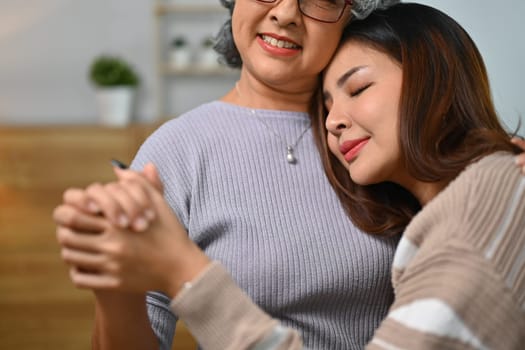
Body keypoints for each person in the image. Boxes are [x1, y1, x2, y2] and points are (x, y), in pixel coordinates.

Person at [55, 2, 525, 349]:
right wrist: (115, 290)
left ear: (353, 13)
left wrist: (494, 173)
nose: (284, 13)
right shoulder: (175, 153)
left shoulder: (381, 146)